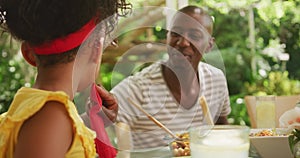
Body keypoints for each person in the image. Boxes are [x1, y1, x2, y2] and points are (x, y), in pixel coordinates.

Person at [0, 0, 130, 157]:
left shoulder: (44, 113)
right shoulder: (51, 117)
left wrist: (88, 121)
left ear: (29, 54)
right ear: (96, 49)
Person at [111, 5, 231, 149]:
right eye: (175, 34)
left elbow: (222, 128)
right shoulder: (139, 87)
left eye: (194, 36)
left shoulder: (216, 79)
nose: (182, 43)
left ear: (209, 45)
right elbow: (91, 123)